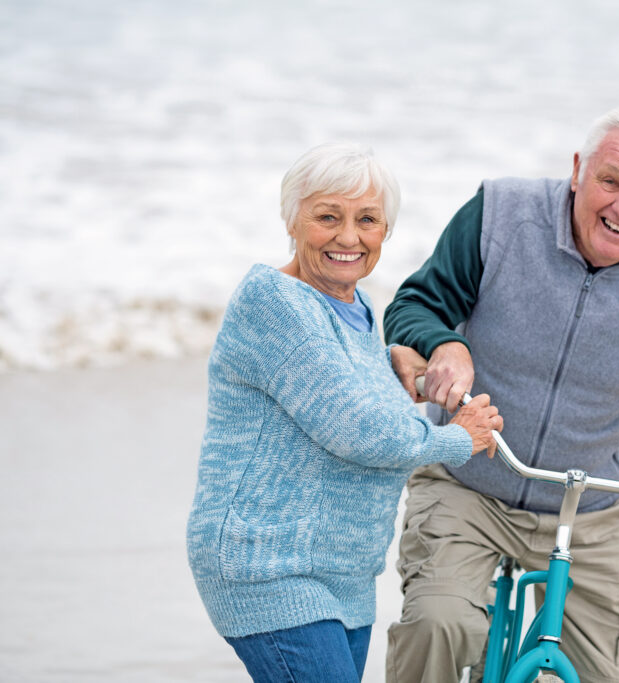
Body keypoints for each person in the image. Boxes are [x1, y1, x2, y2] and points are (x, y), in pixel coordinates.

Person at [382, 105, 619, 682]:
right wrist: (444, 346)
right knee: (439, 623)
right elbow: (416, 304)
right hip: (469, 483)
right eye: (610, 180)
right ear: (579, 170)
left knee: (607, 675)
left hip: (589, 511)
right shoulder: (500, 214)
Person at [185, 142, 503, 683]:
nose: (349, 237)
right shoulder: (274, 302)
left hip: (341, 576)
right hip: (269, 565)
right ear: (292, 218)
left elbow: (340, 396)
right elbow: (360, 431)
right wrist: (459, 438)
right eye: (327, 217)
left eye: (368, 220)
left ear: (386, 231)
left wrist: (391, 365)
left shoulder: (357, 310)